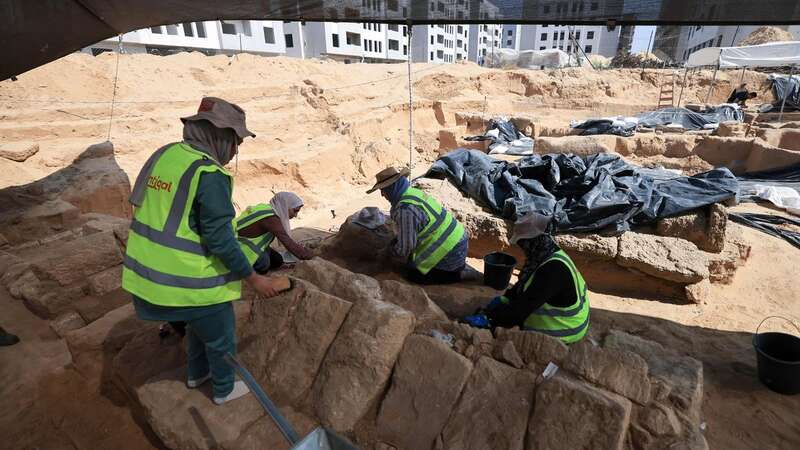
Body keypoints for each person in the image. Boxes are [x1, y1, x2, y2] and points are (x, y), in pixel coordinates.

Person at [122, 97, 284, 405]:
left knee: (198, 325)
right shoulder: (210, 174)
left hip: (144, 275)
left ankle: (197, 374)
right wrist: (254, 279)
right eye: (235, 142)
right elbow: (221, 240)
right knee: (221, 333)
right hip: (183, 281)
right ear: (219, 134)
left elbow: (141, 203)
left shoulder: (165, 154)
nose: (235, 151)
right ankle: (224, 389)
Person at [462, 214, 590, 344]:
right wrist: (506, 298)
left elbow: (518, 314)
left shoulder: (551, 271)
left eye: (522, 243)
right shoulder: (546, 254)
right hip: (573, 320)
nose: (521, 248)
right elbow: (525, 284)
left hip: (564, 330)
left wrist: (490, 318)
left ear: (534, 240)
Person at [367, 167, 468, 285]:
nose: (382, 195)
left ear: (392, 188)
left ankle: (454, 276)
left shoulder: (405, 209)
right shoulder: (412, 193)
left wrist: (388, 253)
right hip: (458, 239)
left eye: (383, 190)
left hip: (449, 251)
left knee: (412, 275)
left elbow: (404, 248)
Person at [235, 191, 313, 274]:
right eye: (295, 211)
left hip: (247, 243)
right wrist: (311, 257)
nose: (296, 215)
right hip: (238, 246)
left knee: (278, 260)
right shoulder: (270, 218)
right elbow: (288, 243)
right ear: (285, 206)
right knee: (263, 264)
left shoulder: (267, 209)